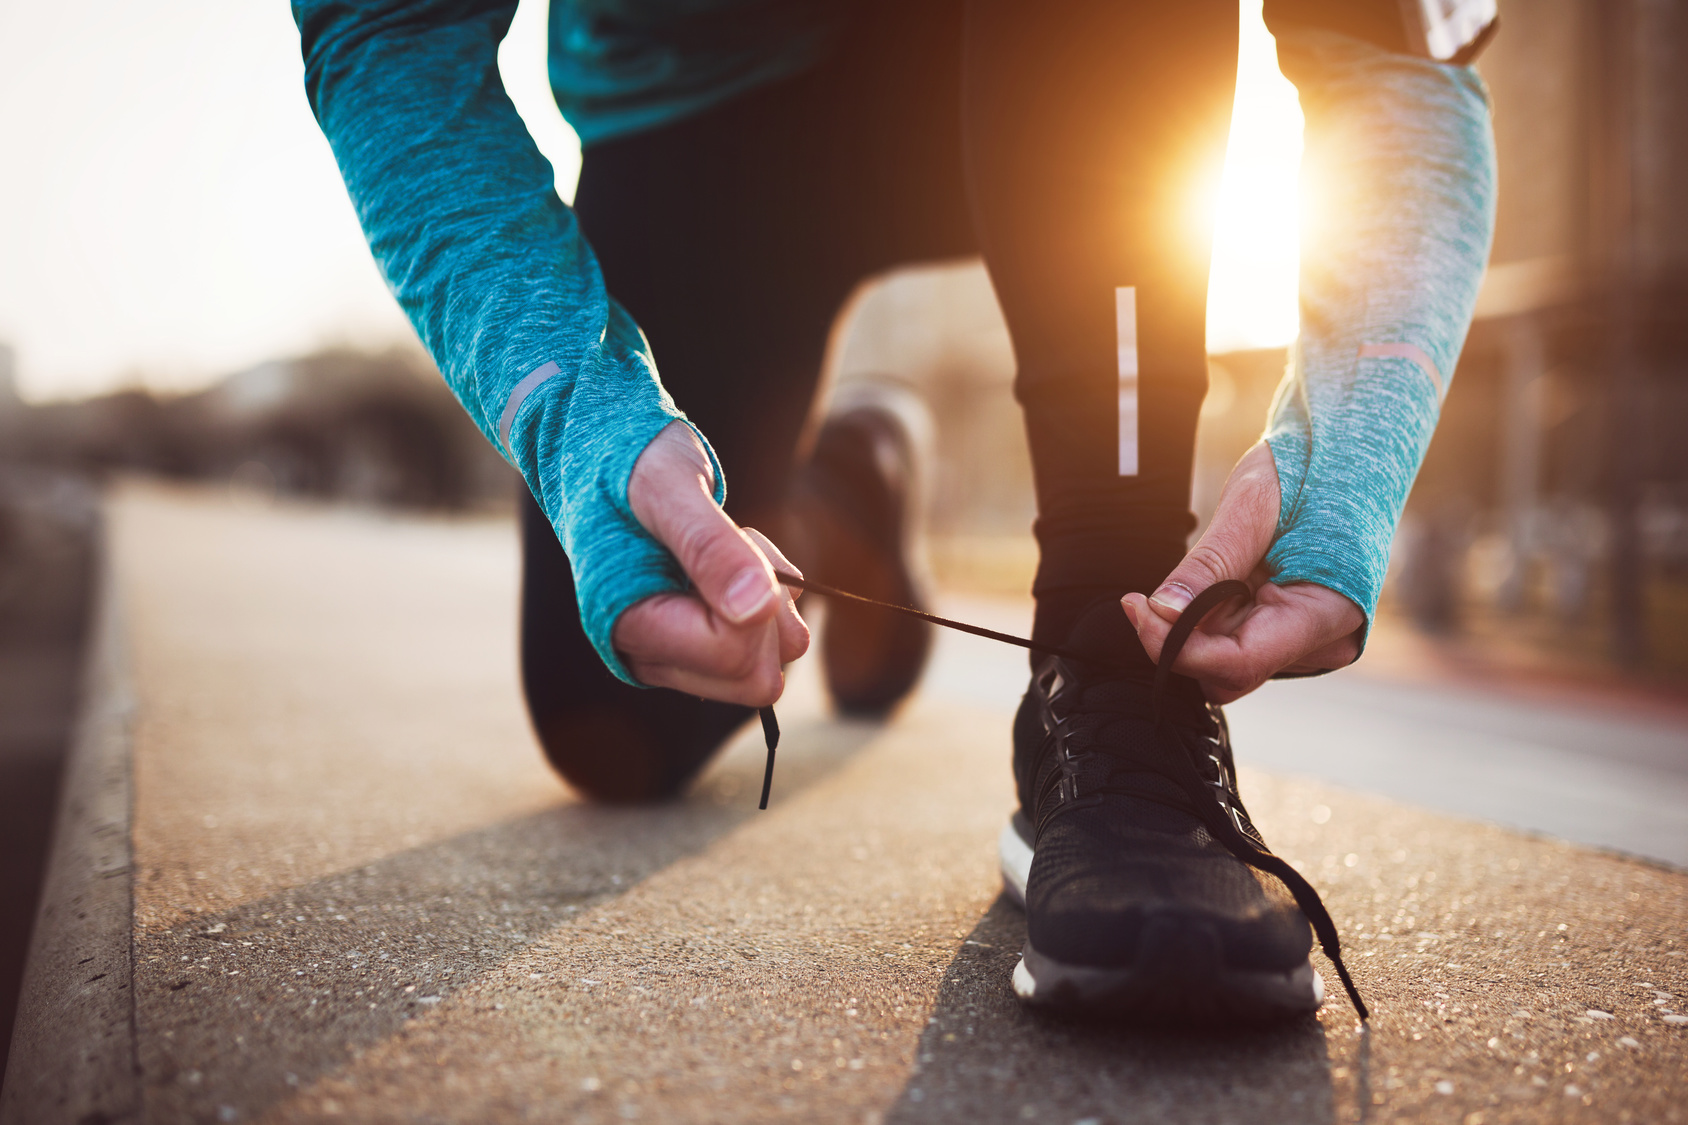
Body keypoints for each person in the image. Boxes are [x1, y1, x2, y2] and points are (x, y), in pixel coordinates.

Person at [294, 0, 1496, 1023]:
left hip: (1071, 66)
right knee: (612, 719)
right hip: (703, 109)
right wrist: (589, 429)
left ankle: (1112, 678)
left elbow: (1397, 48)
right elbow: (386, 35)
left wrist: (1345, 456)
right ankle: (832, 495)